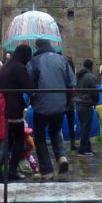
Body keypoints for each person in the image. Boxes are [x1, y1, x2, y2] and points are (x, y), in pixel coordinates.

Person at [26, 38, 74, 179]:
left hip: (42, 105)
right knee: (55, 131)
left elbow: (29, 83)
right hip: (60, 105)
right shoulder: (62, 60)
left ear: (37, 46)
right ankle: (61, 158)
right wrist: (66, 101)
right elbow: (71, 82)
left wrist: (32, 97)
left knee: (40, 137)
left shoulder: (34, 61)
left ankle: (47, 170)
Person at [0, 43, 34, 181]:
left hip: (5, 107)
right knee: (19, 141)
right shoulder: (19, 68)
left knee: (9, 141)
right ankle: (10, 170)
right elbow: (29, 88)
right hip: (14, 109)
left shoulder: (7, 66)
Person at [73, 59, 100, 155]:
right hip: (86, 103)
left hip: (79, 103)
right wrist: (96, 100)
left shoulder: (79, 76)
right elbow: (94, 91)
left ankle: (87, 147)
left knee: (84, 126)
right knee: (86, 127)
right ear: (91, 66)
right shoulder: (90, 77)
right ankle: (83, 149)